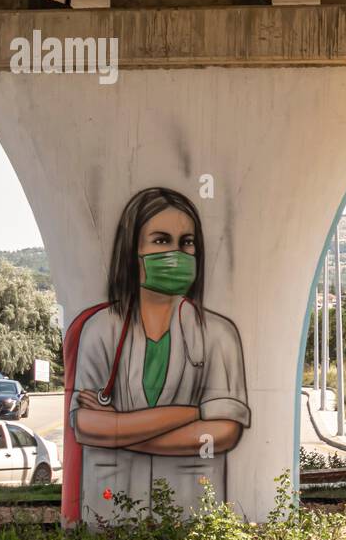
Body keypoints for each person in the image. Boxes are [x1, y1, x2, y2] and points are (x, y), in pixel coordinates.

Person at [68, 187, 250, 516]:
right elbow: (86, 425)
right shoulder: (100, 330)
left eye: (187, 242)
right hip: (109, 514)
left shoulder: (218, 335)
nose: (176, 253)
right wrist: (194, 413)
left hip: (192, 512)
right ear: (132, 251)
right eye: (162, 240)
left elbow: (223, 433)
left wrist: (119, 431)